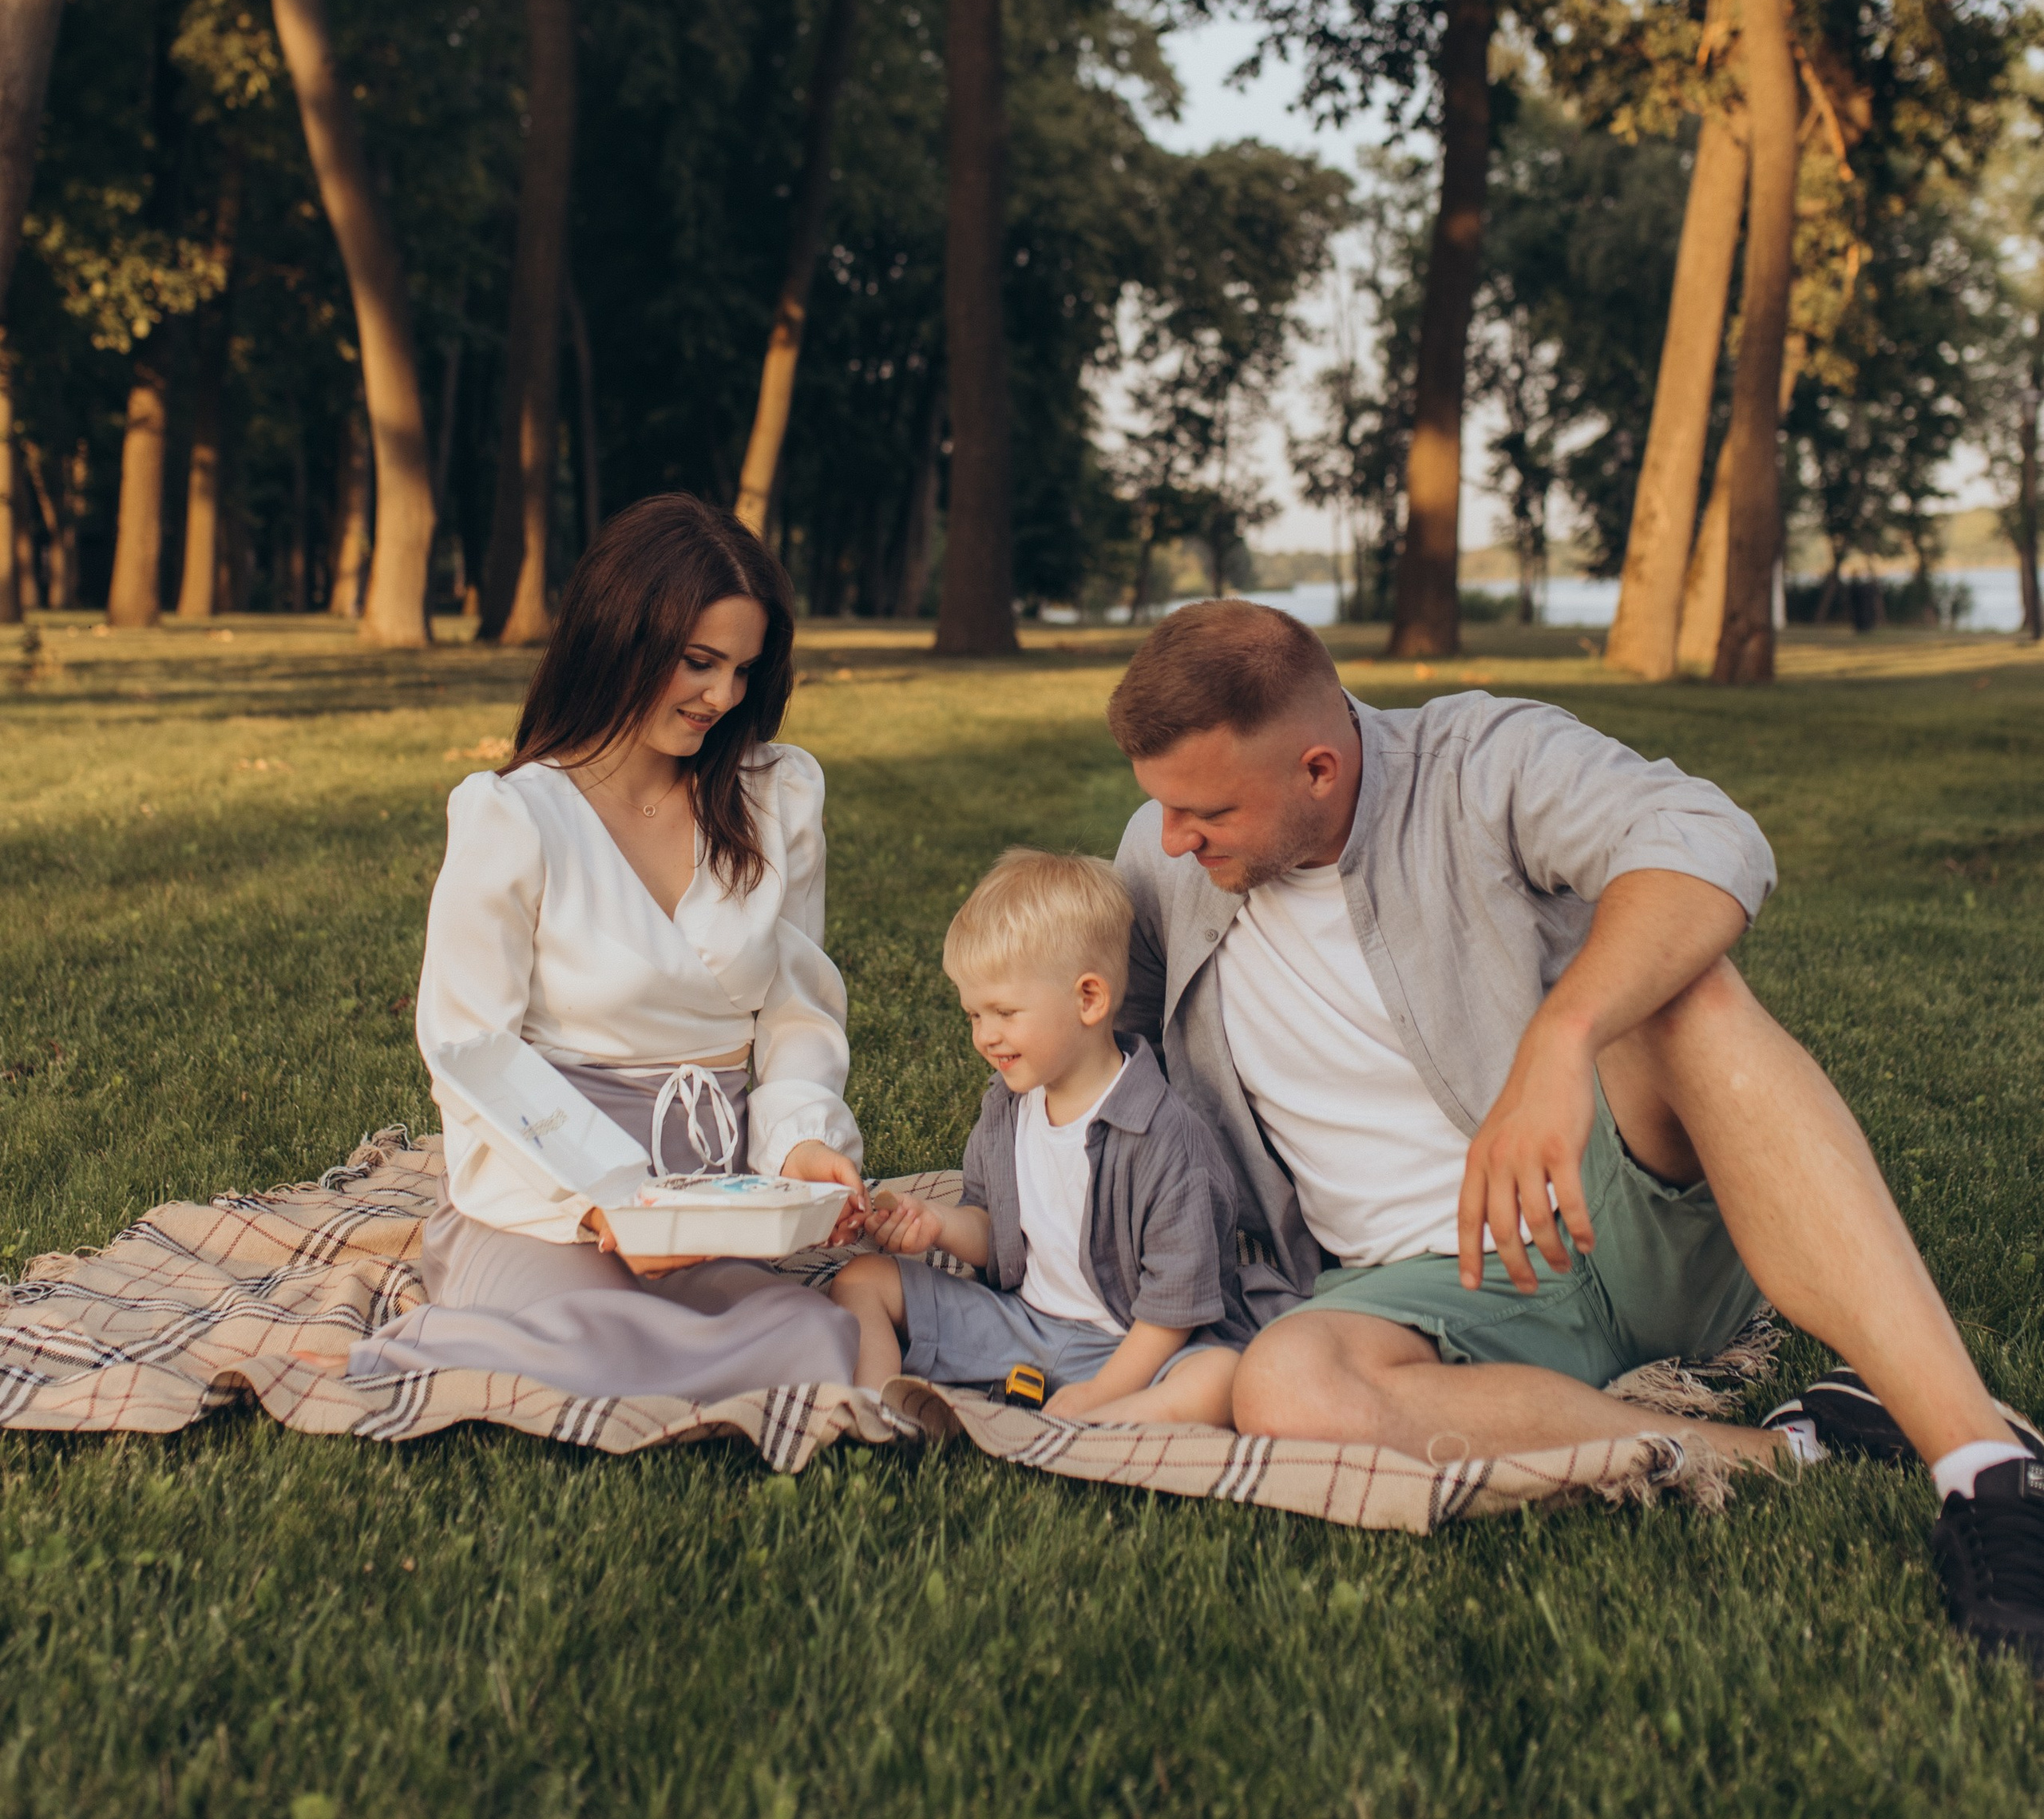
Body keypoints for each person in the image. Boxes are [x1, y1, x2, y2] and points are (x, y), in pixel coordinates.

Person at [1109, 600, 2044, 1658]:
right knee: (1283, 1382)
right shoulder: (1161, 852)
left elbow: (1709, 837)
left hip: (1624, 1211)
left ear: (1318, 770)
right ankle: (1788, 1450)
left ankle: (1985, 1469)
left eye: (1208, 815)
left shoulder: (1479, 763)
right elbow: (1099, 1055)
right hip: (1425, 1298)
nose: (1175, 843)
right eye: (1165, 813)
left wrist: (1562, 1037)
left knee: (1691, 991)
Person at [349, 493, 866, 1401]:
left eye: (743, 669)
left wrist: (797, 1148)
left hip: (711, 1202)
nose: (723, 697)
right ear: (618, 635)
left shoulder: (775, 793)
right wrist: (602, 1201)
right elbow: (471, 1046)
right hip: (548, 1194)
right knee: (596, 1354)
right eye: (698, 662)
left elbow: (795, 1013)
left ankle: (579, 1344)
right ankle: (419, 1352)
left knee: (814, 1331)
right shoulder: (513, 814)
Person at [832, 850, 1249, 1424]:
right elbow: (992, 1228)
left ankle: (1102, 1417)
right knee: (861, 1279)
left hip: (1131, 1347)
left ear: (1089, 999)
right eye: (974, 1015)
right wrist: (937, 1225)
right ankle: (882, 1412)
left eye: (1004, 1011)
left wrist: (1100, 1390)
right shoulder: (1007, 1109)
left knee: (1222, 1377)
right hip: (1023, 1325)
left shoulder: (1165, 1137)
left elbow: (1174, 1309)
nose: (985, 1036)